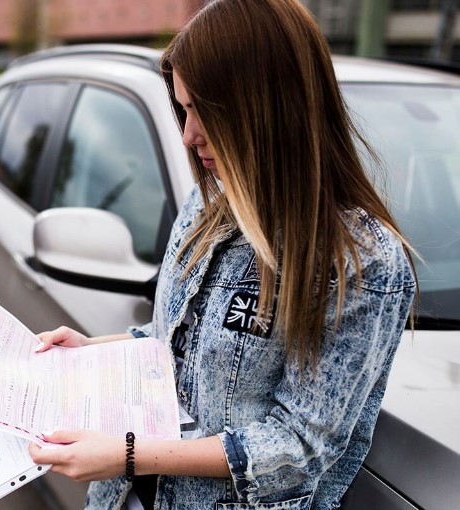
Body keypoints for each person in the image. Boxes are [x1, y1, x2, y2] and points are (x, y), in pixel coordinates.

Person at [28, 0, 416, 508]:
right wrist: (96, 348)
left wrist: (128, 454)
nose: (189, 135)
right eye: (184, 109)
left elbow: (299, 447)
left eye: (202, 112)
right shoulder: (207, 206)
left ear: (265, 109)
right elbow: (178, 341)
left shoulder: (361, 265)